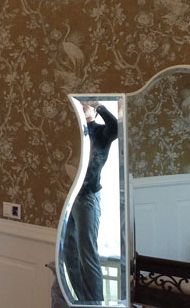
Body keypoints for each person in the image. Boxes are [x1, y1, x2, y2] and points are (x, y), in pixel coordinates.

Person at [61, 101, 119, 302]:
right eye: (81, 104)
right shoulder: (74, 132)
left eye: (87, 104)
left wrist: (100, 107)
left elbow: (116, 127)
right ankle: (81, 299)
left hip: (88, 198)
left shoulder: (101, 133)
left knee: (87, 254)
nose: (83, 106)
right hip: (69, 197)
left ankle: (95, 302)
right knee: (69, 252)